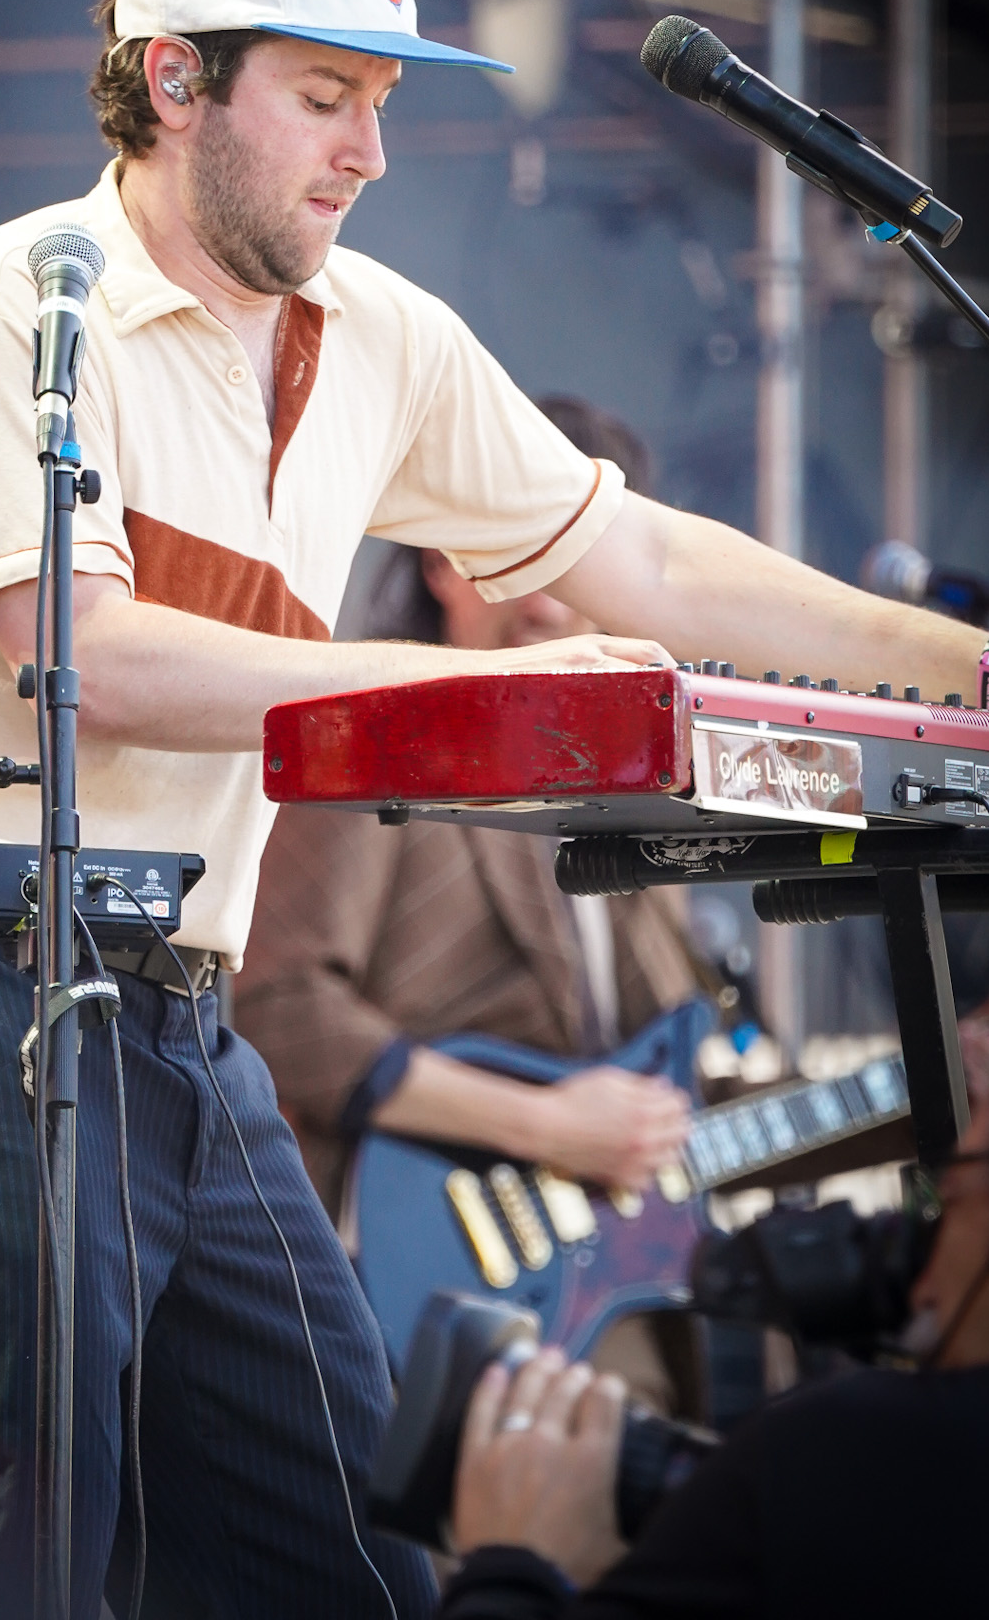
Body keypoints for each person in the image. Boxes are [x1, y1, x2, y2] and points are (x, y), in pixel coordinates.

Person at [0, 0, 989, 1620]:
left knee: (356, 1549)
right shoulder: (13, 304)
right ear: (171, 81)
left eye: (383, 103)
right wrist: (444, 690)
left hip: (183, 1012)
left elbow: (642, 555)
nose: (368, 150)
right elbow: (84, 649)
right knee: (18, 1548)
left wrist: (977, 670)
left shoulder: (388, 336)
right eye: (324, 94)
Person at [235, 399, 697, 1410]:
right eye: (514, 555)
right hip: (427, 1280)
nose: (547, 599)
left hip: (610, 1280)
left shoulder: (638, 784)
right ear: (443, 563)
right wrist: (543, 1122)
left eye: (576, 561)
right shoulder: (374, 742)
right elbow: (276, 1009)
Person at [438, 1044, 989, 1618]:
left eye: (955, 1193)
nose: (922, 1285)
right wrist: (543, 1123)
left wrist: (510, 1564)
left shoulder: (846, 1459)